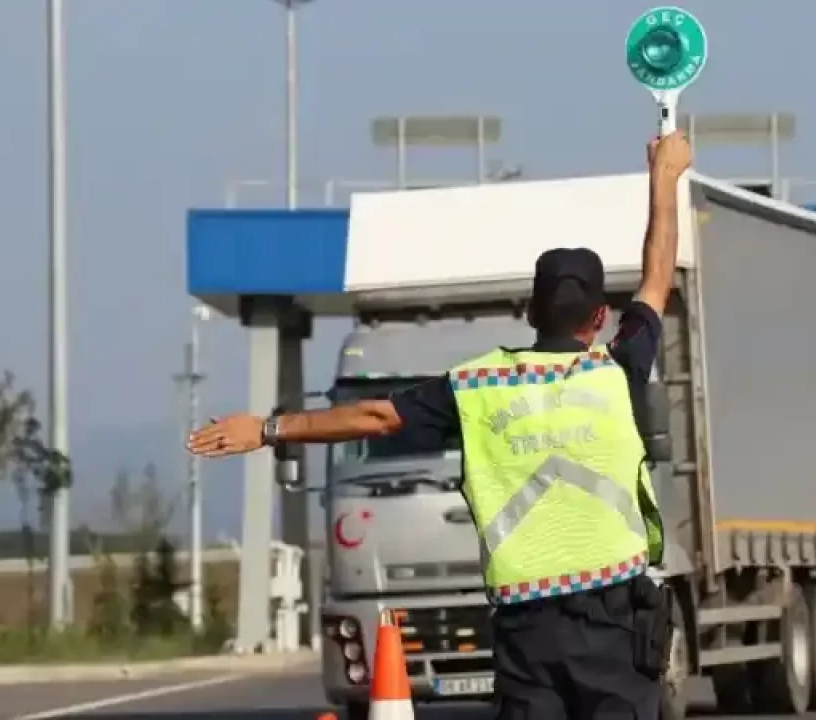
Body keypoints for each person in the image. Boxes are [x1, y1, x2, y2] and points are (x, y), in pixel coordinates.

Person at [188, 131, 693, 719]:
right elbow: (657, 279)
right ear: (602, 318)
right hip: (613, 621)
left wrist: (269, 429)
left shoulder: (477, 386)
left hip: (528, 630)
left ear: (528, 312)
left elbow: (374, 415)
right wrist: (665, 175)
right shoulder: (617, 366)